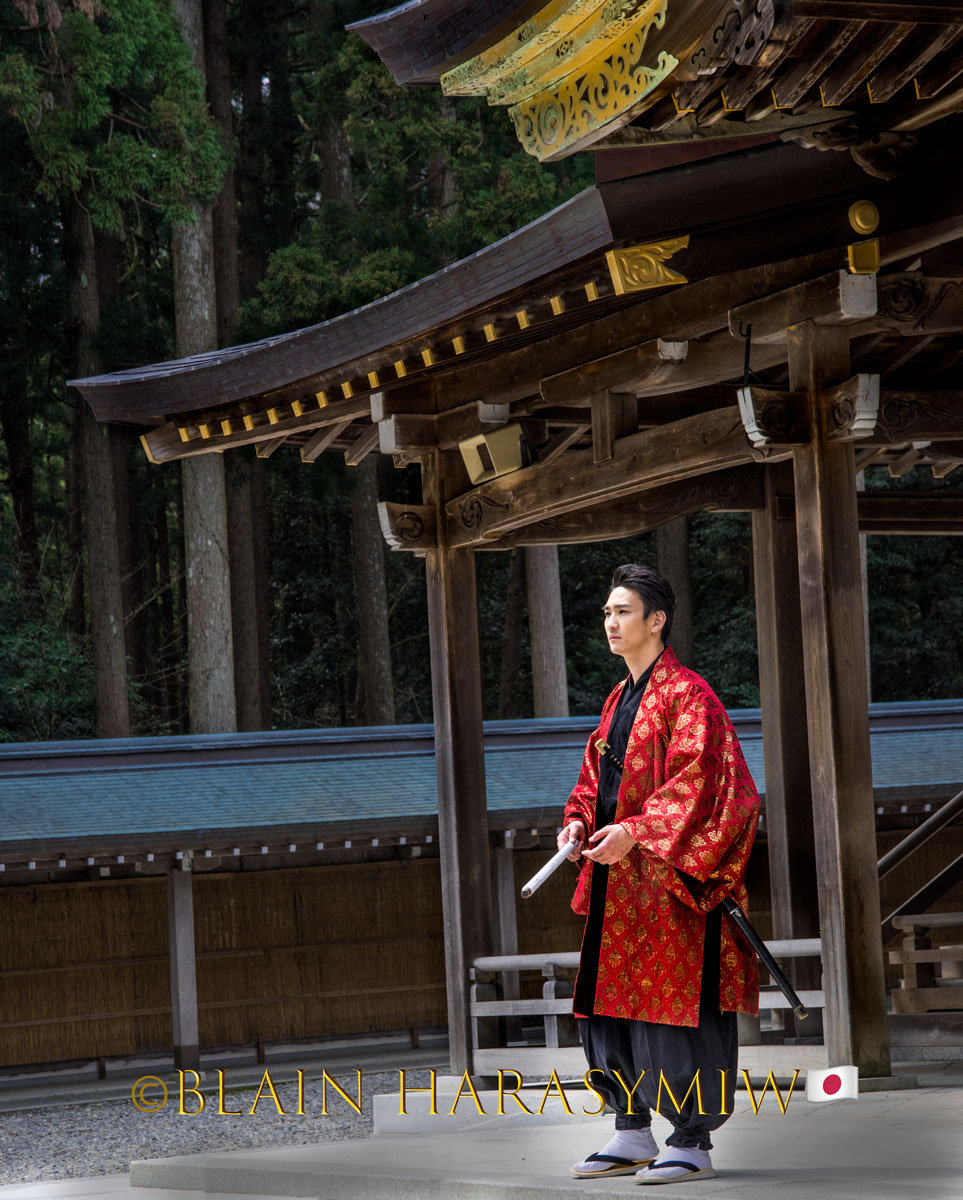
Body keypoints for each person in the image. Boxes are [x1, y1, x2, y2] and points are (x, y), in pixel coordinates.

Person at [560, 563, 760, 1184]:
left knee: (676, 1011)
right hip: (619, 885)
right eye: (607, 613)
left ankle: (692, 1138)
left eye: (622, 612)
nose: (611, 623)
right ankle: (631, 1131)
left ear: (657, 620)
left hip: (670, 885)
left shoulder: (689, 695)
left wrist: (636, 833)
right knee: (610, 1009)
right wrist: (577, 822)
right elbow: (596, 784)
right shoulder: (618, 700)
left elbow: (702, 788)